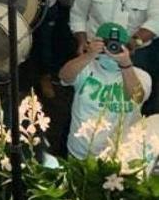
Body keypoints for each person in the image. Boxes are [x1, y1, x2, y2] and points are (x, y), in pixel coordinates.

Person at [60, 23, 151, 159]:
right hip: (80, 153)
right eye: (106, 43)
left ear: (129, 49)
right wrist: (89, 55)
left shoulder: (141, 76)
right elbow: (64, 76)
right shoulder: (85, 68)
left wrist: (125, 64)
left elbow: (137, 98)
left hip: (121, 156)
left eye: (118, 45)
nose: (112, 48)